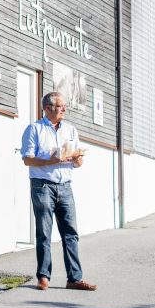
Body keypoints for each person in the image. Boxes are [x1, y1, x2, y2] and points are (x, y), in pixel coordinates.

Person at [20, 91, 97, 291]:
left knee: (71, 233)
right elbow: (27, 159)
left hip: (65, 187)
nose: (64, 109)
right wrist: (50, 160)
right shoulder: (34, 129)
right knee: (44, 233)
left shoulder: (71, 130)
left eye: (64, 106)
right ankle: (43, 277)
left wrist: (78, 160)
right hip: (42, 185)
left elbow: (77, 162)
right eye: (60, 106)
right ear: (47, 108)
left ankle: (75, 279)